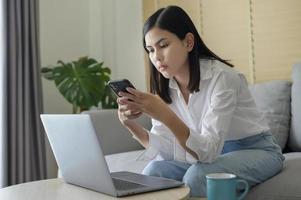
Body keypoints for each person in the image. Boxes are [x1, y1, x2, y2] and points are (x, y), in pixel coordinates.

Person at [116, 5, 284, 197]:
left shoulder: (223, 77)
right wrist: (130, 124)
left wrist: (164, 113)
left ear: (188, 42)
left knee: (198, 176)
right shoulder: (165, 86)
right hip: (212, 155)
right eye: (150, 50)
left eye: (163, 46)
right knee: (153, 172)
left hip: (256, 150)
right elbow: (167, 153)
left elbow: (209, 151)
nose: (156, 57)